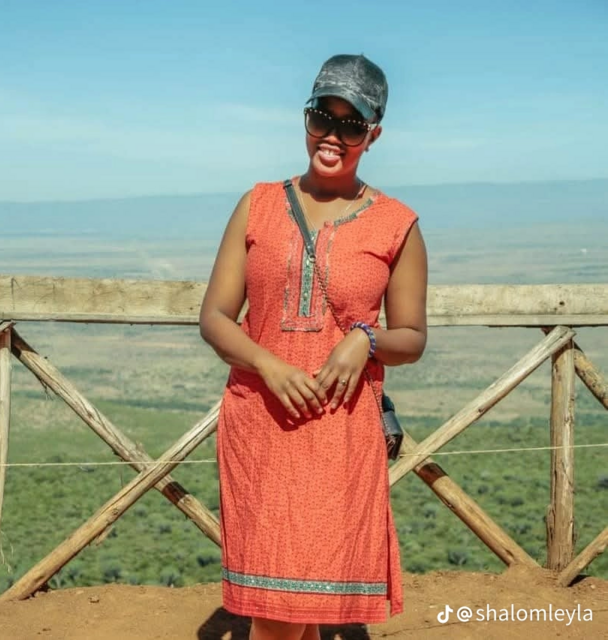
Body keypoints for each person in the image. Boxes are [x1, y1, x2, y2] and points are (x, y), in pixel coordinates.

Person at [199, 54, 428, 640]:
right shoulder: (257, 205)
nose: (332, 136)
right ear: (305, 118)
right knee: (277, 608)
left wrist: (366, 339)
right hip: (262, 424)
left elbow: (411, 338)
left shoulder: (397, 225)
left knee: (304, 607)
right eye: (322, 118)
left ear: (374, 135)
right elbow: (215, 318)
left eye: (351, 125)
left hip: (340, 432)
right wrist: (267, 364)